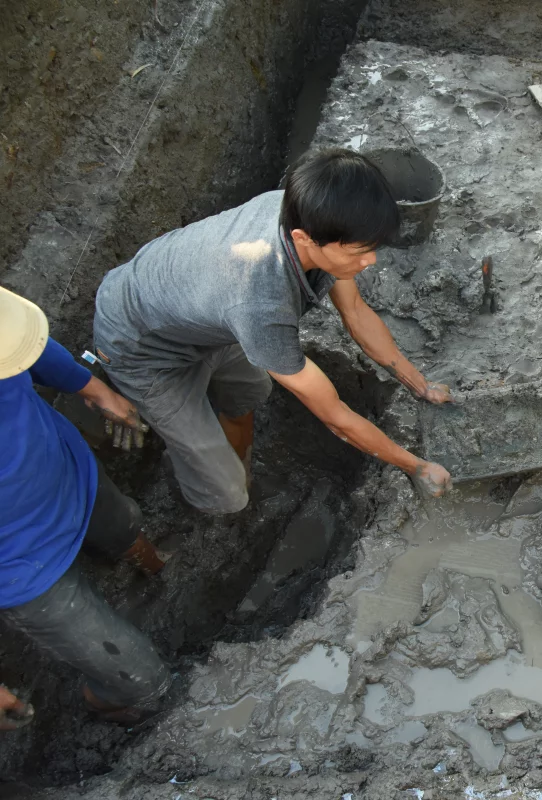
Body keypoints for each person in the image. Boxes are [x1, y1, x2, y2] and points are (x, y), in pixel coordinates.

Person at [92, 148, 453, 515]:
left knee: (252, 390)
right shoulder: (262, 304)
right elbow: (337, 419)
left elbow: (357, 314)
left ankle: (242, 463)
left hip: (200, 309)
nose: (370, 260)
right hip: (141, 345)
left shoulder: (308, 208)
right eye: (359, 252)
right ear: (304, 239)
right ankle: (217, 499)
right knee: (228, 497)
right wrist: (417, 466)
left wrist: (419, 385)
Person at [0, 287, 170, 725]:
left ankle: (158, 571)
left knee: (128, 526)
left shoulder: (6, 337)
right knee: (146, 684)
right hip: (19, 566)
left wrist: (92, 387)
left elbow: (26, 347)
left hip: (70, 476)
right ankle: (102, 710)